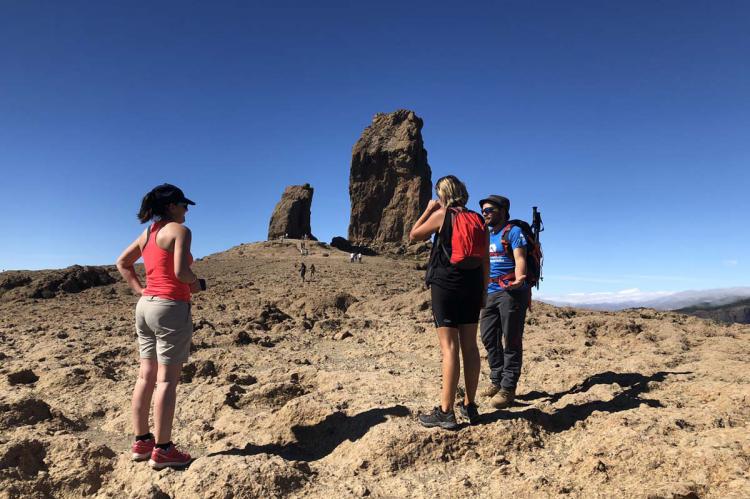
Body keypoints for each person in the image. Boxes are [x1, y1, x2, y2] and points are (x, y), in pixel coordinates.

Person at [116, 183, 205, 470]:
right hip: (170, 307)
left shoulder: (148, 233)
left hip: (146, 307)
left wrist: (139, 289)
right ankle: (164, 449)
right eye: (183, 204)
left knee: (146, 377)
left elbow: (122, 262)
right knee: (167, 380)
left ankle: (142, 441)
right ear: (171, 206)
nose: (187, 209)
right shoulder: (180, 232)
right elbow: (180, 272)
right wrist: (197, 284)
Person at [409, 175, 489, 428]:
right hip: (473, 287)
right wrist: (484, 291)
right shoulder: (478, 219)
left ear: (443, 194)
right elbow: (485, 258)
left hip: (446, 286)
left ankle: (445, 412)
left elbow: (414, 235)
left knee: (449, 348)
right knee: (470, 346)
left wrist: (428, 210)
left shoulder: (442, 215)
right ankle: (469, 406)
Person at [477, 195, 529, 409]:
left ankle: (508, 388)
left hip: (510, 291)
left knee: (512, 340)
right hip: (488, 292)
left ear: (503, 210)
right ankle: (496, 379)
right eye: (483, 210)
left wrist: (519, 278)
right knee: (488, 337)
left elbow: (520, 258)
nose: (485, 213)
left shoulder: (513, 232)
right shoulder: (486, 235)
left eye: (489, 209)